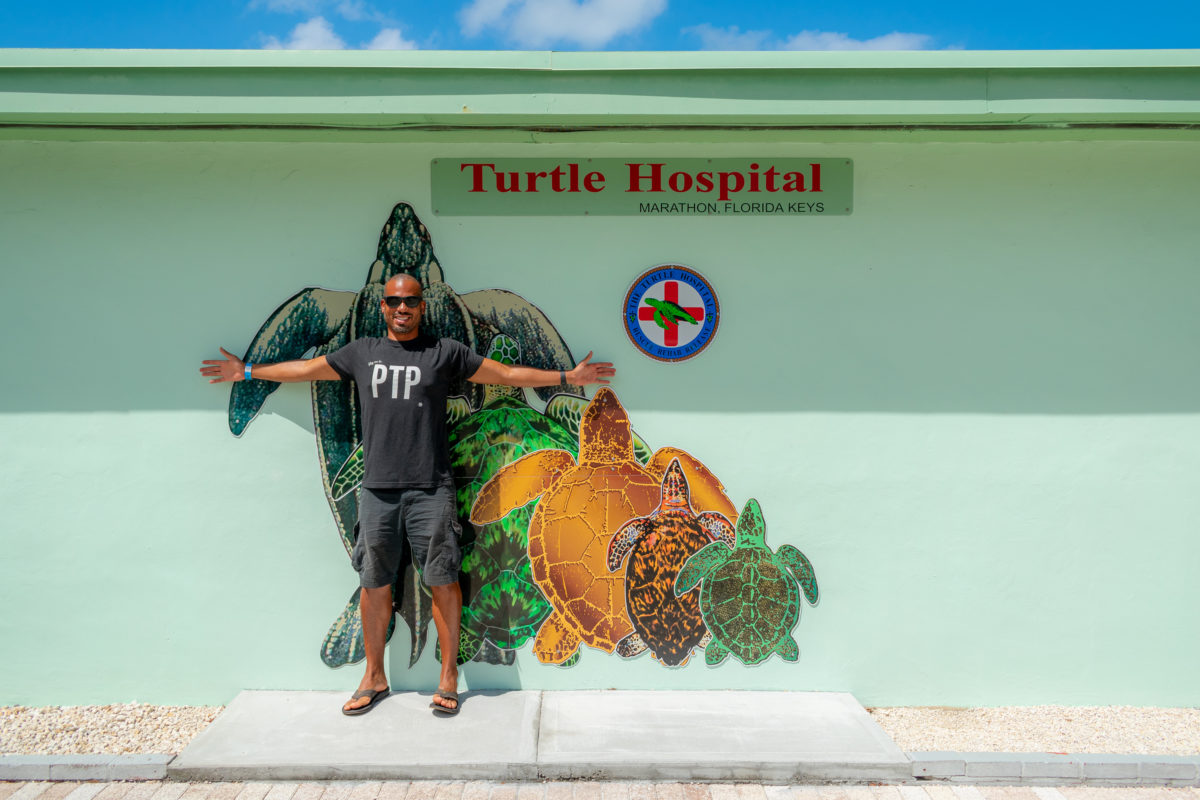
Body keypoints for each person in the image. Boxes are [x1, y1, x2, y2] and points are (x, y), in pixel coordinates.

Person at [200, 274, 615, 716]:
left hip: (431, 489)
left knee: (443, 581)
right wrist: (245, 372)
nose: (402, 308)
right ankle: (373, 676)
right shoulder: (361, 353)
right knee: (373, 583)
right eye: (395, 301)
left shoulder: (443, 352)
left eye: (411, 301)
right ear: (383, 306)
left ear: (421, 306)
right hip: (377, 491)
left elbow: (507, 373)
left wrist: (568, 376)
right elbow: (305, 370)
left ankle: (449, 676)